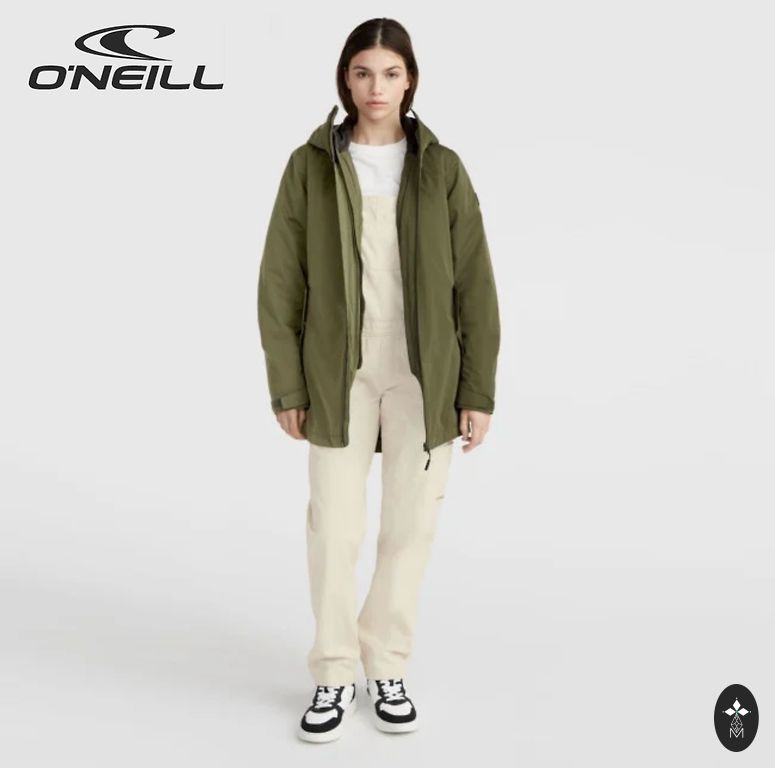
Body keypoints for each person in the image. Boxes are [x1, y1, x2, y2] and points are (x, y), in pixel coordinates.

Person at [257, 17, 501, 742]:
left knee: (410, 527)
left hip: (425, 373)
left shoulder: (440, 168)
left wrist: (476, 390)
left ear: (410, 80)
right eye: (363, 72)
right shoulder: (310, 165)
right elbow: (280, 281)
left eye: (390, 73)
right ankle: (334, 672)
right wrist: (288, 385)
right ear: (346, 78)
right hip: (337, 371)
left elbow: (474, 284)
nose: (376, 87)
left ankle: (385, 663)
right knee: (333, 529)